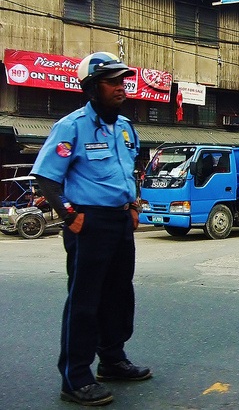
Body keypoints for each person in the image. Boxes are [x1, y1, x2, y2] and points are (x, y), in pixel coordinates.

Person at [31, 52, 151, 406]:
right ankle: (75, 377)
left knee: (119, 294)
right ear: (91, 88)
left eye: (122, 81)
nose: (121, 87)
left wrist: (133, 205)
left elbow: (131, 172)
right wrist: (70, 216)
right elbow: (46, 178)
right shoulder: (71, 126)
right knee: (85, 301)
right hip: (89, 222)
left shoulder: (126, 127)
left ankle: (112, 361)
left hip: (118, 221)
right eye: (112, 82)